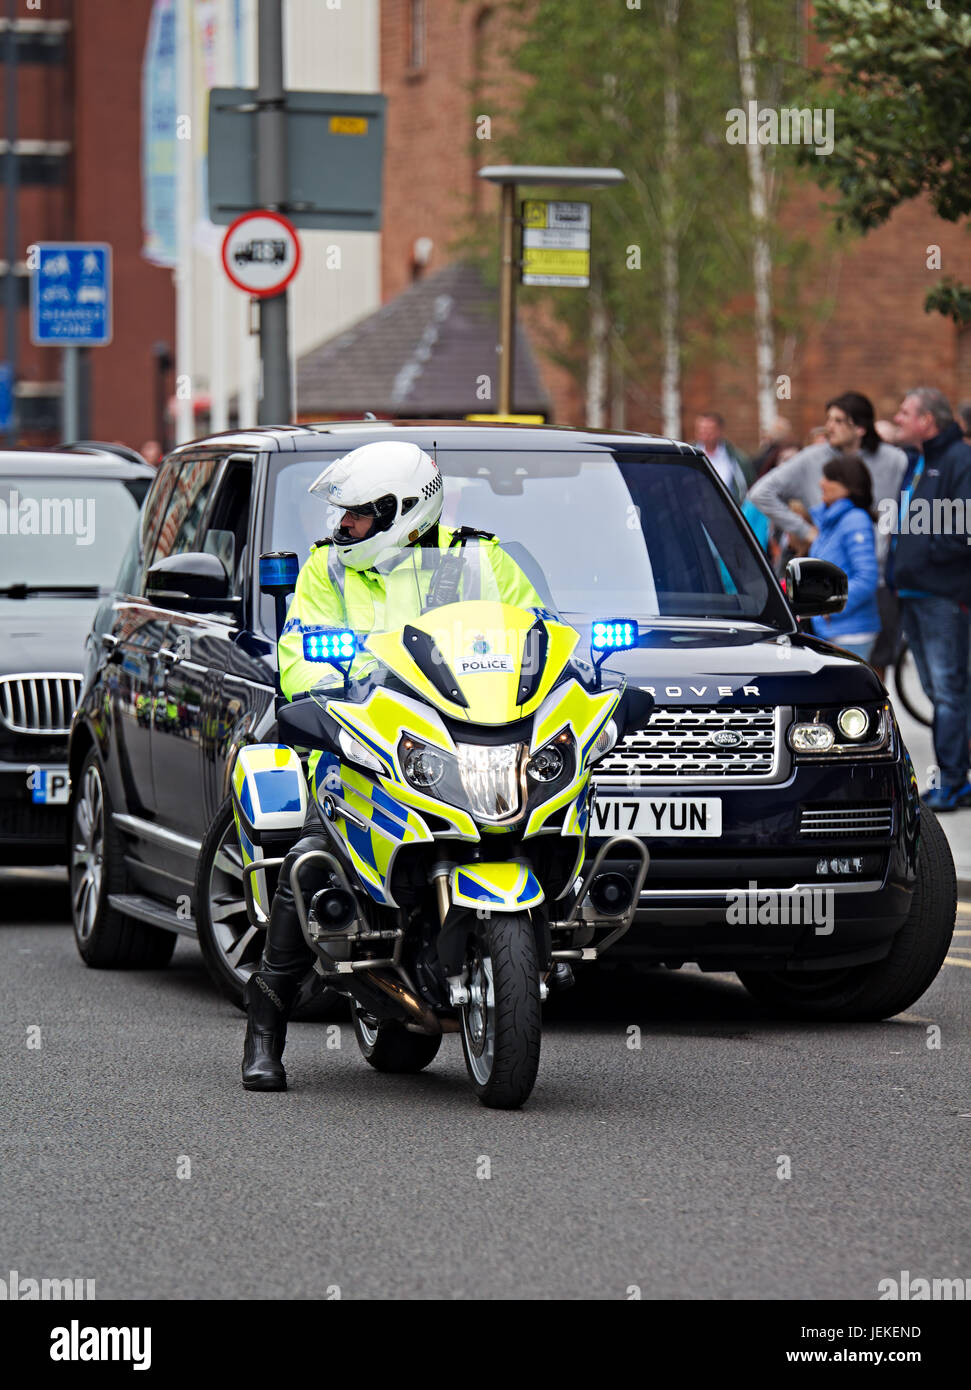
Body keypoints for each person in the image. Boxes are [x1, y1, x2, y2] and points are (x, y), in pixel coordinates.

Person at [242, 440, 545, 1091]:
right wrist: (342, 688)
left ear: (403, 511)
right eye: (342, 515)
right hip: (363, 737)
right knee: (310, 861)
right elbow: (297, 657)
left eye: (356, 515)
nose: (341, 527)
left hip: (463, 734)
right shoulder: (328, 571)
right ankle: (264, 1030)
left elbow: (535, 634)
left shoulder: (478, 559)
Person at [746, 391, 906, 677]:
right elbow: (761, 493)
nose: (829, 426)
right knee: (835, 673)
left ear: (860, 427)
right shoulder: (813, 458)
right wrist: (807, 532)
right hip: (826, 583)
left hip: (876, 580)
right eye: (828, 419)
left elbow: (905, 508)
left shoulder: (893, 460)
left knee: (873, 673)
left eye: (838, 420)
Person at [890, 388, 971, 812]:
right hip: (913, 593)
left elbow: (964, 528)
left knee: (948, 691)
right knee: (938, 690)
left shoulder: (960, 459)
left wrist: (929, 555)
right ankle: (961, 777)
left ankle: (954, 782)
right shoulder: (916, 460)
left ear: (927, 420)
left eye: (905, 412)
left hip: (942, 594)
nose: (897, 418)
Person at [807, 455, 879, 660]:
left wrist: (834, 604)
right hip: (831, 629)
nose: (822, 483)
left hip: (851, 632)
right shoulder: (831, 521)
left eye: (829, 478)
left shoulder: (854, 520)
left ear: (848, 485)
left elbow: (866, 577)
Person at [693, 411, 751, 500]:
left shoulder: (736, 458)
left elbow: (747, 486)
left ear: (719, 431)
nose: (705, 433)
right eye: (701, 429)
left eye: (709, 429)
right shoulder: (690, 455)